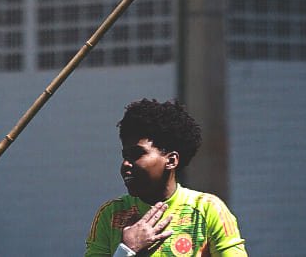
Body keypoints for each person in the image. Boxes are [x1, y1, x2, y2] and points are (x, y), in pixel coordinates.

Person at [84, 99, 247, 256]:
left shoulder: (207, 210)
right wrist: (127, 250)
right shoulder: (111, 214)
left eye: (137, 154)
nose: (126, 164)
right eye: (125, 155)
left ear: (171, 160)